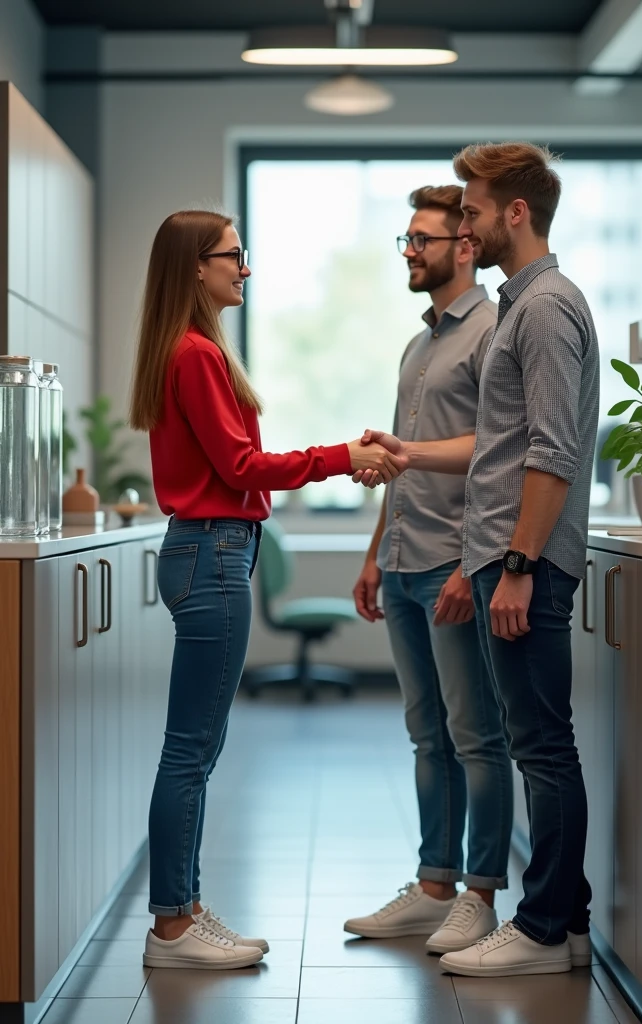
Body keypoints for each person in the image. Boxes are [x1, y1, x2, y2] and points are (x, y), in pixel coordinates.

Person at [128, 210, 404, 971]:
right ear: (195, 267)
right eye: (233, 256)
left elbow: (236, 465)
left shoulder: (194, 350)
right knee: (191, 752)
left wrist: (338, 457)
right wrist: (342, 457)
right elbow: (243, 468)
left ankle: (179, 910)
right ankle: (172, 930)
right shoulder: (194, 355)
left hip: (213, 552)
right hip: (212, 552)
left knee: (196, 749)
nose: (244, 269)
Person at [357, 142, 600, 978]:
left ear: (515, 213)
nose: (465, 226)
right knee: (534, 742)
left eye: (472, 211)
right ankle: (561, 925)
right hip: (495, 555)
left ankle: (536, 929)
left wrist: (520, 563)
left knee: (536, 746)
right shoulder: (524, 303)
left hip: (519, 561)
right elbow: (503, 447)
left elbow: (553, 450)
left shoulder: (541, 308)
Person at [343, 186, 513, 954]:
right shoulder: (419, 345)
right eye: (406, 240)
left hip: (456, 563)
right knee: (426, 735)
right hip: (405, 560)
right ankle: (434, 884)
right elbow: (401, 464)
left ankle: (480, 896)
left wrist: (471, 564)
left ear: (464, 247)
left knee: (476, 736)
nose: (409, 251)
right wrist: (377, 553)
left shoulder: (492, 332)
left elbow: (499, 457)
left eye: (422, 239)